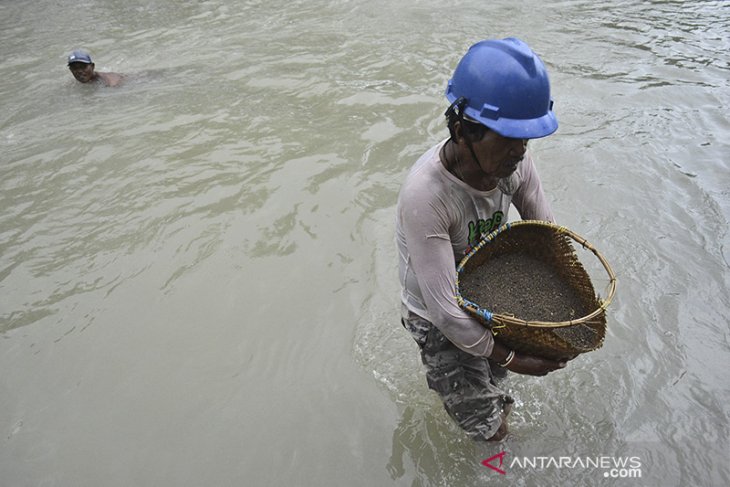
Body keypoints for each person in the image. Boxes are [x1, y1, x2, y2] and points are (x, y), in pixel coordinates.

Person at [395, 37, 568, 442]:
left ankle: (488, 402)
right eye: (508, 139)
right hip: (438, 315)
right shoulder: (427, 197)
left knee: (495, 385)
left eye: (525, 139)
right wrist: (513, 356)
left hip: (488, 294)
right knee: (489, 429)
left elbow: (546, 236)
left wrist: (557, 312)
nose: (520, 152)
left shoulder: (514, 162)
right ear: (462, 131)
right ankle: (493, 459)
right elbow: (446, 311)